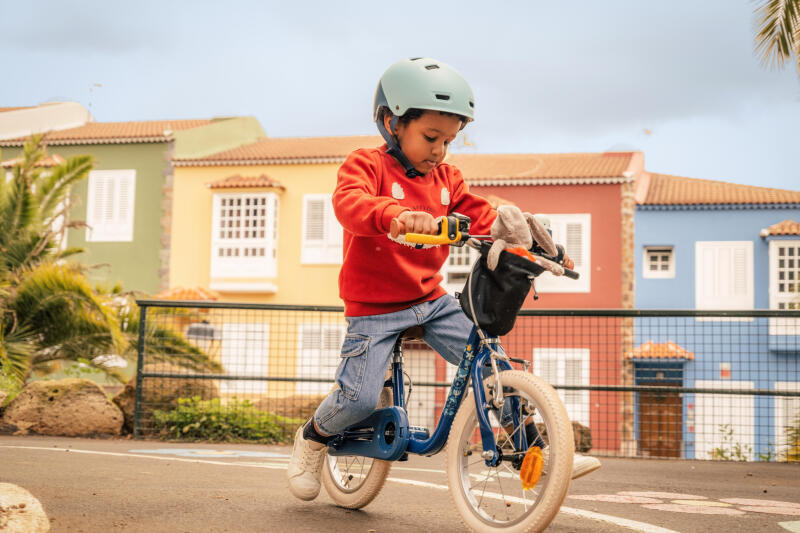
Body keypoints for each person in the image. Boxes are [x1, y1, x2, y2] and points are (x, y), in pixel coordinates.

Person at [288, 57, 600, 501]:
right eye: (430, 137)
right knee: (358, 400)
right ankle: (313, 439)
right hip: (374, 307)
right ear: (391, 123)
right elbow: (349, 204)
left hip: (429, 300)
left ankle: (537, 449)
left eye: (449, 141)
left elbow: (480, 213)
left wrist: (525, 235)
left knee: (492, 362)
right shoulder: (366, 165)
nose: (439, 150)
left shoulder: (446, 178)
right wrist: (394, 214)